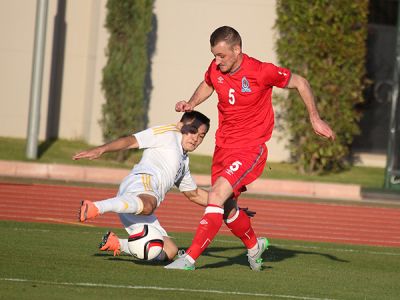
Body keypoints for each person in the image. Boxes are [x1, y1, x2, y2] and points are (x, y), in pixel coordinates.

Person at [165, 26, 336, 271]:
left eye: (221, 55)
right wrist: (191, 102)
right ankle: (254, 246)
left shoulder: (261, 71)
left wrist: (315, 118)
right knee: (226, 208)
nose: (217, 60)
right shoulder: (216, 69)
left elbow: (300, 82)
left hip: (249, 149)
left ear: (237, 50)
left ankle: (189, 259)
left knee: (215, 196)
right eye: (214, 55)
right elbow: (208, 83)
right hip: (223, 146)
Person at [73, 111, 211, 261]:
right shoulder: (168, 134)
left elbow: (194, 194)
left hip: (139, 203)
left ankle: (118, 244)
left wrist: (223, 204)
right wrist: (102, 149)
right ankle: (95, 207)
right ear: (180, 126)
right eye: (192, 131)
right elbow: (132, 141)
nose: (196, 138)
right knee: (148, 205)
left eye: (201, 136)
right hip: (140, 183)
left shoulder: (184, 162)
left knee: (170, 251)